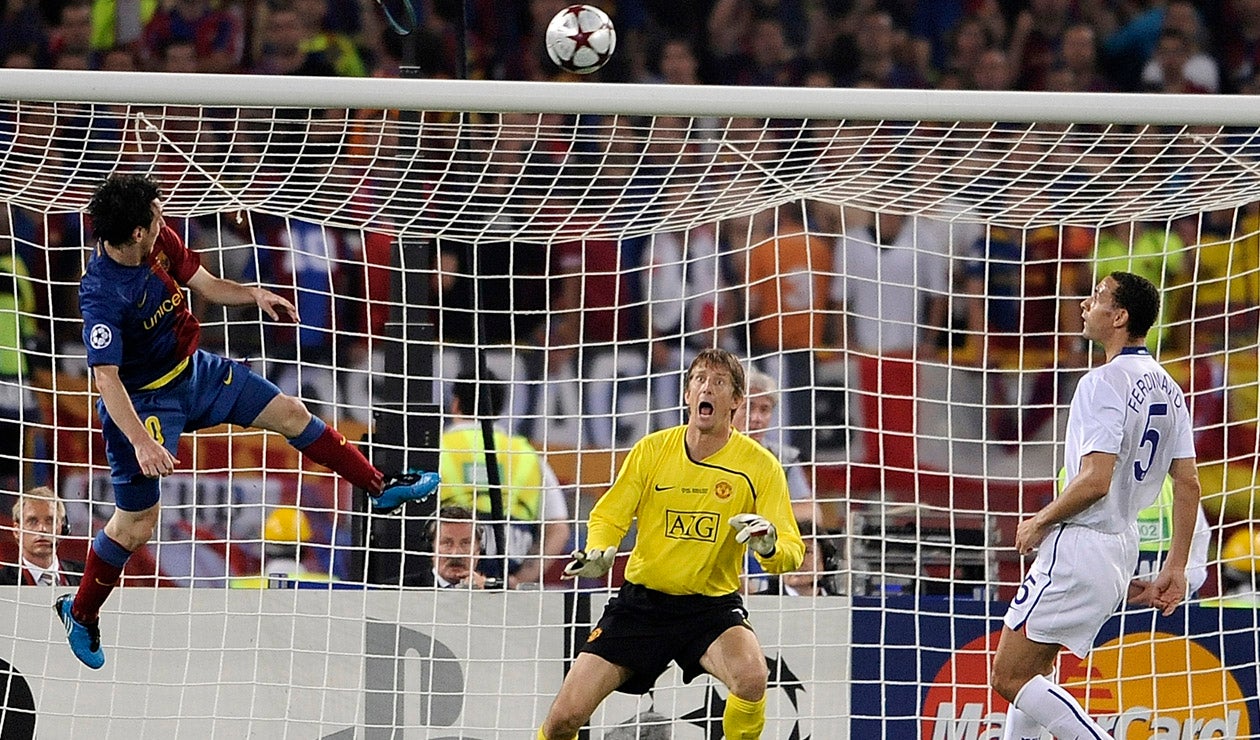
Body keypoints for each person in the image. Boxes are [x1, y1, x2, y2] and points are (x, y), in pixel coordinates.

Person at [54, 173, 439, 670]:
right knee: (137, 525)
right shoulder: (102, 294)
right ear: (134, 234)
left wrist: (254, 293)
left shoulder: (158, 235)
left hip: (195, 372)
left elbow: (207, 284)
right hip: (143, 403)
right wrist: (143, 444)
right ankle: (80, 612)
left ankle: (378, 485)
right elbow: (106, 379)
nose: (162, 216)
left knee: (291, 412)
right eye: (154, 216)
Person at [537, 348, 804, 740]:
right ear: (686, 393)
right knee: (562, 721)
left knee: (752, 677)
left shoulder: (760, 467)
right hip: (641, 605)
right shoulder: (652, 450)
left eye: (718, 382)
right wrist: (599, 549)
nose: (705, 388)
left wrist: (767, 546)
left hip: (709, 609)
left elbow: (791, 552)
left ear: (735, 401)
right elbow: (609, 515)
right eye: (698, 379)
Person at [990, 271, 1200, 740]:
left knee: (1009, 676)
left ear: (1119, 316)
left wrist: (1039, 520)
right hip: (1119, 545)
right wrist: (1176, 567)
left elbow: (1095, 481)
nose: (1086, 304)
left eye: (1098, 297)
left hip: (1080, 542)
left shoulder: (1101, 382)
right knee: (1036, 673)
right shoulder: (1170, 386)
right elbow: (1188, 484)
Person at [439, 371, 570, 588]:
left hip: (446, 585)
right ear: (498, 408)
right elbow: (559, 529)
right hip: (504, 585)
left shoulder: (436, 450)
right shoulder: (528, 457)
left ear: (455, 403)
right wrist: (521, 579)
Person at [732, 366, 815, 521]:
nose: (757, 418)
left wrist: (760, 518)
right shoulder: (708, 451)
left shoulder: (783, 458)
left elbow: (811, 512)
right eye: (748, 407)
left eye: (764, 410)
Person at [1, 486, 83, 586]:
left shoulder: (84, 576)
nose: (42, 529)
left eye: (50, 521)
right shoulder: (3, 581)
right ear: (17, 531)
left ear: (62, 528)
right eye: (32, 521)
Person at [756, 521, 840, 597]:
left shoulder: (843, 605)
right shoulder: (758, 604)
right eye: (790, 552)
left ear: (825, 561)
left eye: (807, 552)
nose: (798, 561)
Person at [429, 504, 490, 589]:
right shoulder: (406, 588)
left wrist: (482, 596)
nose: (456, 554)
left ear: (479, 550)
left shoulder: (497, 594)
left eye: (465, 543)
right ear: (431, 549)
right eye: (447, 543)